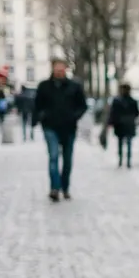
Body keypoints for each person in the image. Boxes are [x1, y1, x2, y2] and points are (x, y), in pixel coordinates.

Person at [34, 59, 88, 202]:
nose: (59, 72)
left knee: (67, 160)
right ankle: (55, 188)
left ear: (66, 70)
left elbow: (83, 106)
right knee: (53, 156)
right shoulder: (44, 86)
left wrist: (74, 117)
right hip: (50, 127)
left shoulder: (74, 87)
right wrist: (42, 117)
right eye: (57, 70)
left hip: (69, 128)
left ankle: (65, 188)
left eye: (62, 70)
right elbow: (37, 105)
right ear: (52, 69)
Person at [107, 84, 139, 168]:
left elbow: (112, 113)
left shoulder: (117, 101)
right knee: (126, 143)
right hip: (126, 124)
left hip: (121, 125)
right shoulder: (132, 101)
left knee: (122, 143)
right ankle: (126, 161)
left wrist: (111, 122)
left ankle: (122, 160)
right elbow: (137, 113)